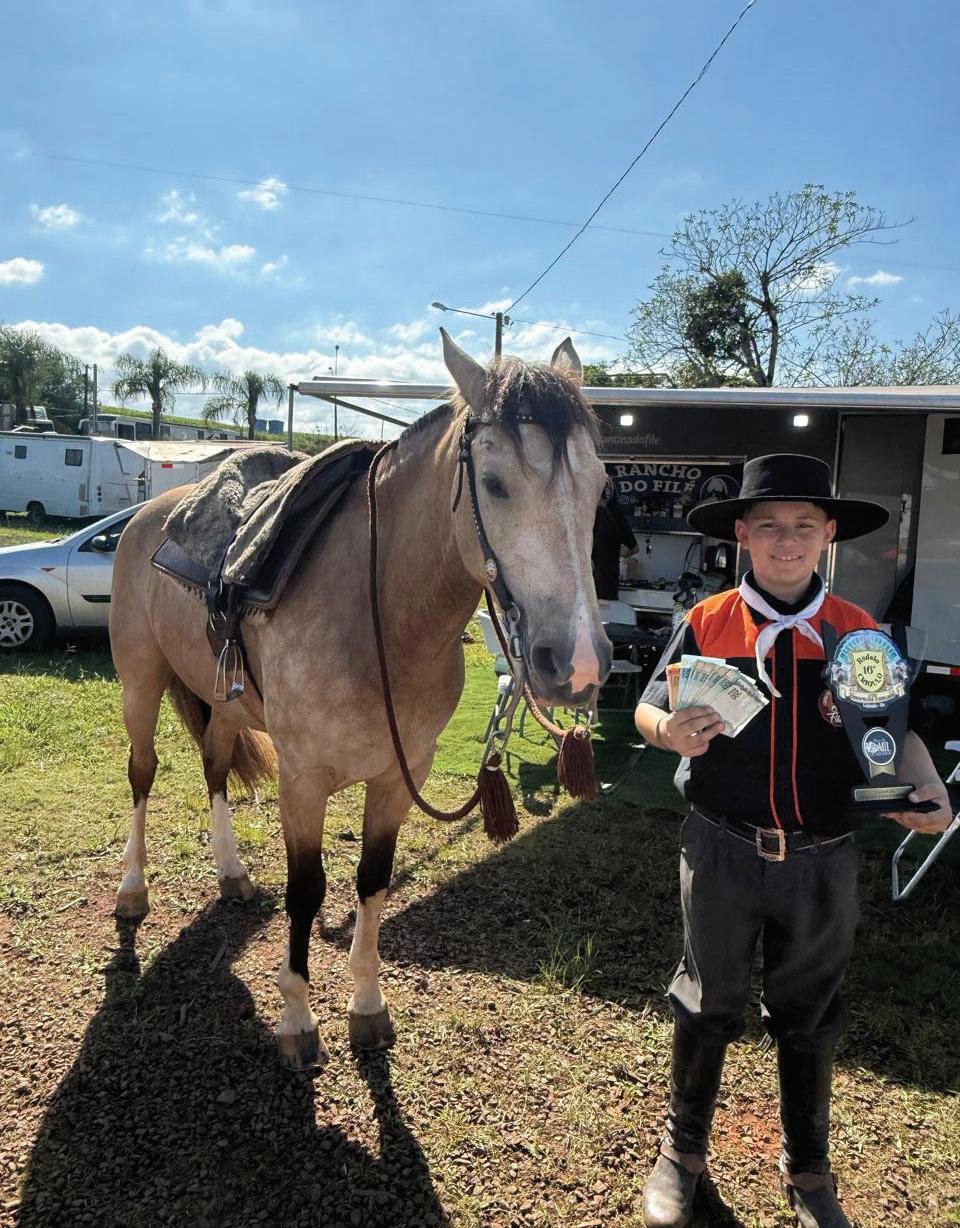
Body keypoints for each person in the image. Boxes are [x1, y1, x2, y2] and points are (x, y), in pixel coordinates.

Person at [632, 453, 953, 1228]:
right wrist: (668, 731)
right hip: (721, 850)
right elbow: (645, 708)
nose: (787, 541)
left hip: (821, 859)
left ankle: (808, 1169)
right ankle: (683, 1154)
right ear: (742, 534)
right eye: (769, 526)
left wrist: (928, 786)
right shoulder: (706, 622)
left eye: (804, 526)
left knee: (810, 1012)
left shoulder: (857, 632)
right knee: (706, 1001)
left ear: (829, 535)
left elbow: (898, 731)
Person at [592, 479, 638, 601]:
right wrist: (613, 553)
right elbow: (634, 548)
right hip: (608, 584)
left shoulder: (593, 516)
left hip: (594, 584)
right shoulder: (616, 514)